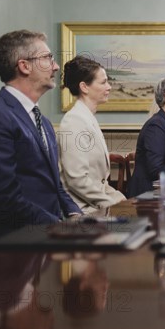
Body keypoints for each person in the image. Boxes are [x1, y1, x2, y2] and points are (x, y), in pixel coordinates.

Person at [0, 30, 81, 236]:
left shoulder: (45, 123)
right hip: (15, 246)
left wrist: (75, 215)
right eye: (47, 58)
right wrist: (59, 226)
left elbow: (54, 184)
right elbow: (4, 196)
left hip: (45, 241)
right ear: (24, 66)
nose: (56, 66)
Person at [58, 56, 126, 214]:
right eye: (103, 82)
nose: (109, 87)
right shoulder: (74, 121)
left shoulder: (86, 118)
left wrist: (120, 198)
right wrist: (112, 204)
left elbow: (99, 182)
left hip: (96, 208)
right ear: (84, 87)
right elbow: (77, 180)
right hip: (83, 213)